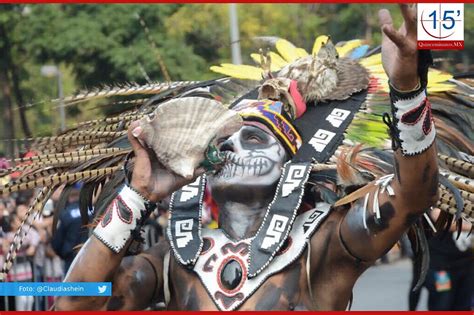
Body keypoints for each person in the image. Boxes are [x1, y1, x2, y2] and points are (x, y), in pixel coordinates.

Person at [54, 5, 447, 311]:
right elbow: (74, 305)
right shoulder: (172, 261)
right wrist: (137, 194)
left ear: (289, 163)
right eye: (225, 144)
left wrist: (408, 89)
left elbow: (413, 194)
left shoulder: (324, 243)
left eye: (255, 139)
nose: (234, 148)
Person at [51, 185, 89, 272]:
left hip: (71, 258)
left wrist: (62, 254)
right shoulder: (92, 210)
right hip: (90, 255)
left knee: (73, 285)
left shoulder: (65, 214)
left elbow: (57, 241)